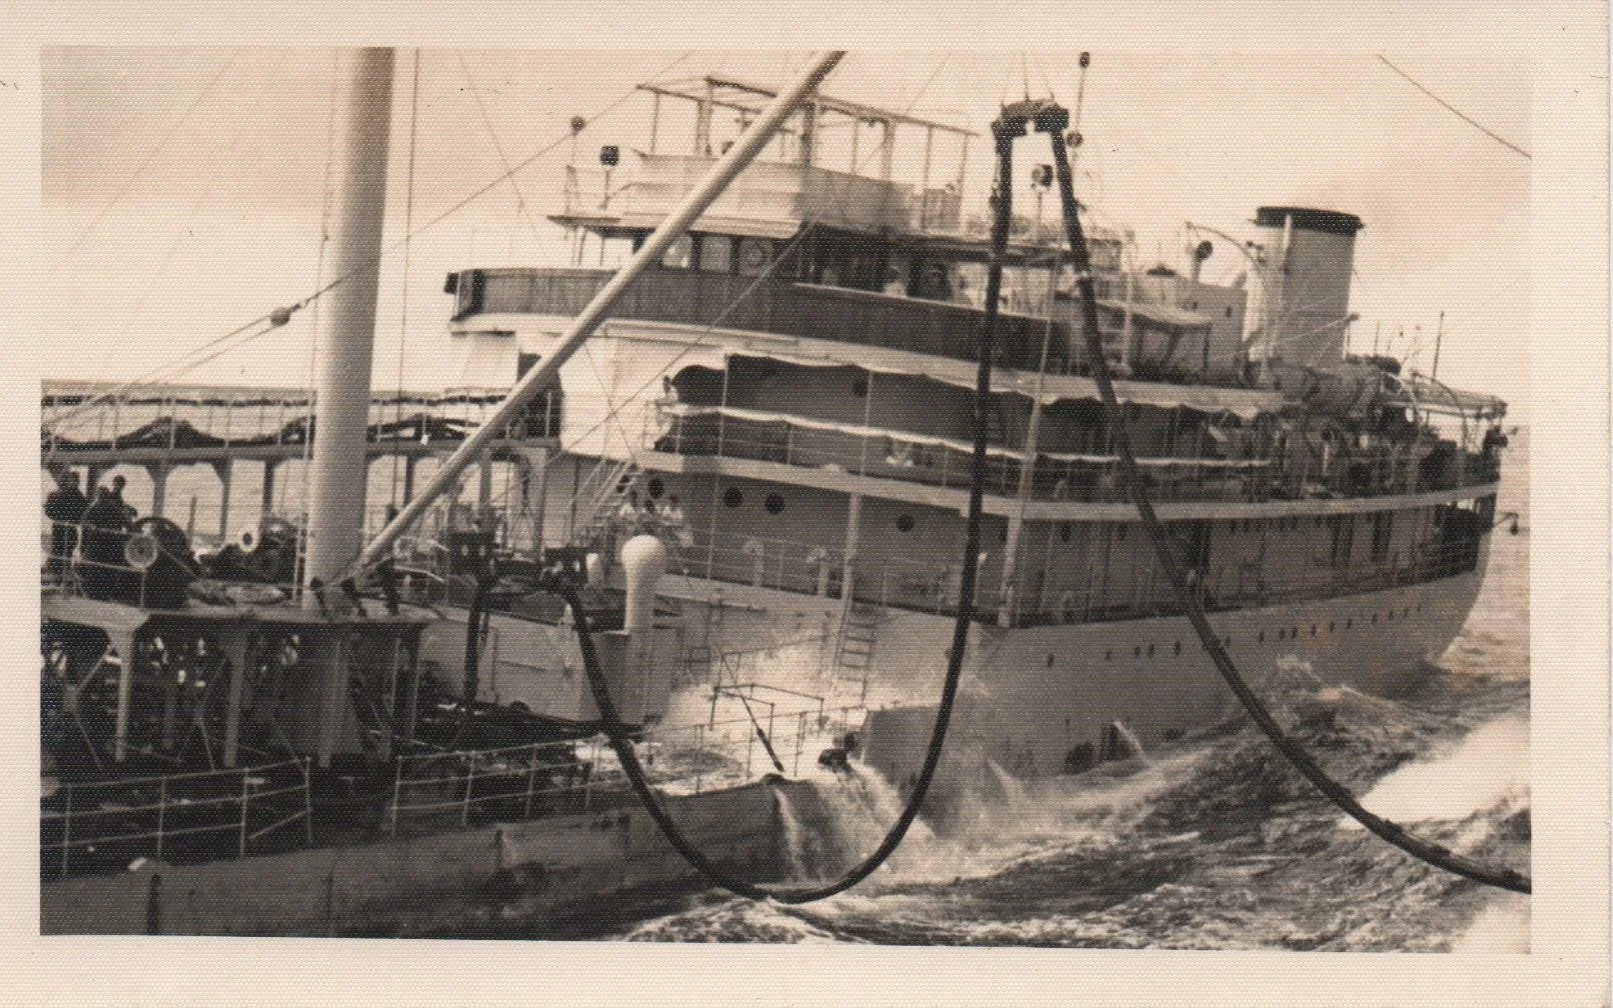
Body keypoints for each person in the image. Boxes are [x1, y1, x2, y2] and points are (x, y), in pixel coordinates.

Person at [44, 471, 88, 580]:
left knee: (68, 547)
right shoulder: (62, 494)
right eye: (73, 480)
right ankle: (57, 574)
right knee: (60, 549)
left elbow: (84, 511)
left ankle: (61, 573)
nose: (75, 482)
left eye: (77, 480)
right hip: (61, 527)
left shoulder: (78, 496)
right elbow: (51, 511)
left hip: (69, 526)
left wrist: (75, 519)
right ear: (69, 481)